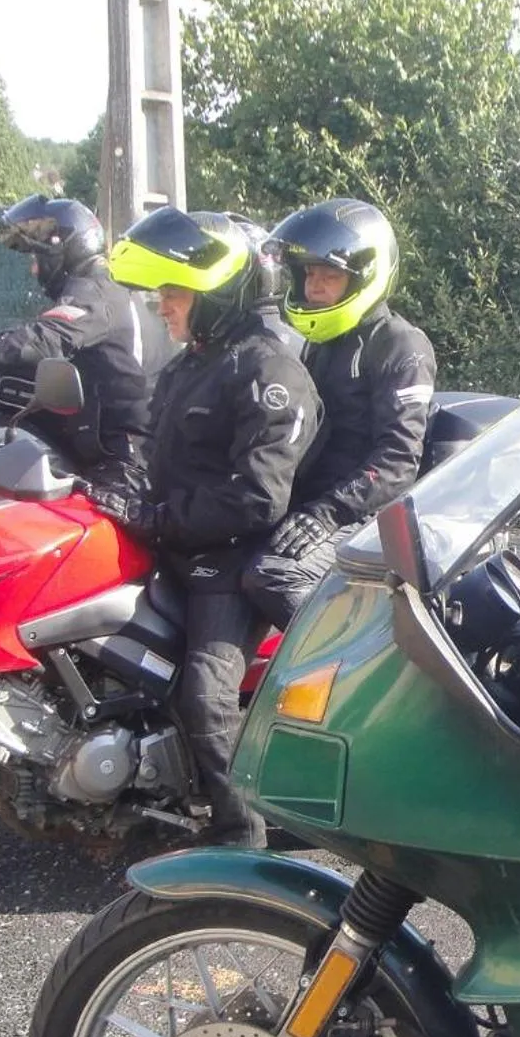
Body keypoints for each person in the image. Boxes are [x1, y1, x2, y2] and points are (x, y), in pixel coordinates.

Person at [106, 207, 320, 847]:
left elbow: (258, 495)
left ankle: (241, 838)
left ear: (219, 291)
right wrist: (114, 489)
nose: (162, 304)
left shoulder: (268, 371)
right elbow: (149, 449)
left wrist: (162, 518)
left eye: (175, 292)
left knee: (205, 692)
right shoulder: (191, 363)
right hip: (174, 545)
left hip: (227, 564)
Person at [241, 198, 435, 630]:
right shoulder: (322, 341)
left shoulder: (401, 345)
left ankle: (353, 666)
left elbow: (398, 460)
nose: (314, 288)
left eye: (329, 276)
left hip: (365, 515)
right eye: (310, 274)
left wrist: (326, 513)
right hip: (315, 501)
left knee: (273, 574)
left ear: (362, 278)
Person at [0, 195, 152, 515]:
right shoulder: (102, 286)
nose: (33, 268)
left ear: (62, 250)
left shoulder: (95, 290)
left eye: (37, 257)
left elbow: (39, 343)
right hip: (104, 450)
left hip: (121, 464)